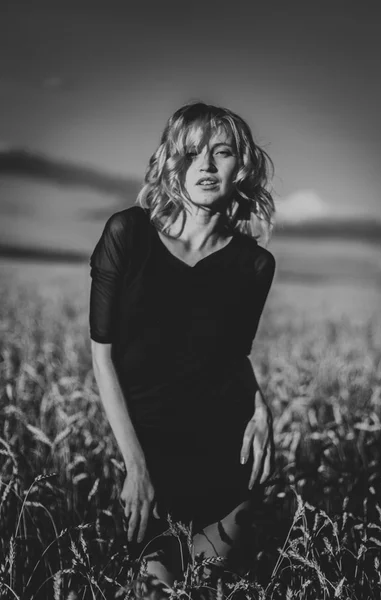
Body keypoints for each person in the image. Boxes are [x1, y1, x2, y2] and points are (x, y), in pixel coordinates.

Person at [89, 101, 276, 594]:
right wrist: (136, 467)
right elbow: (102, 356)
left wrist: (260, 406)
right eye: (193, 152)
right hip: (147, 457)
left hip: (223, 464)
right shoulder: (127, 234)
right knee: (152, 589)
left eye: (223, 153)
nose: (207, 167)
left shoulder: (254, 265)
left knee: (204, 591)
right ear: (173, 161)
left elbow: (233, 356)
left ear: (243, 166)